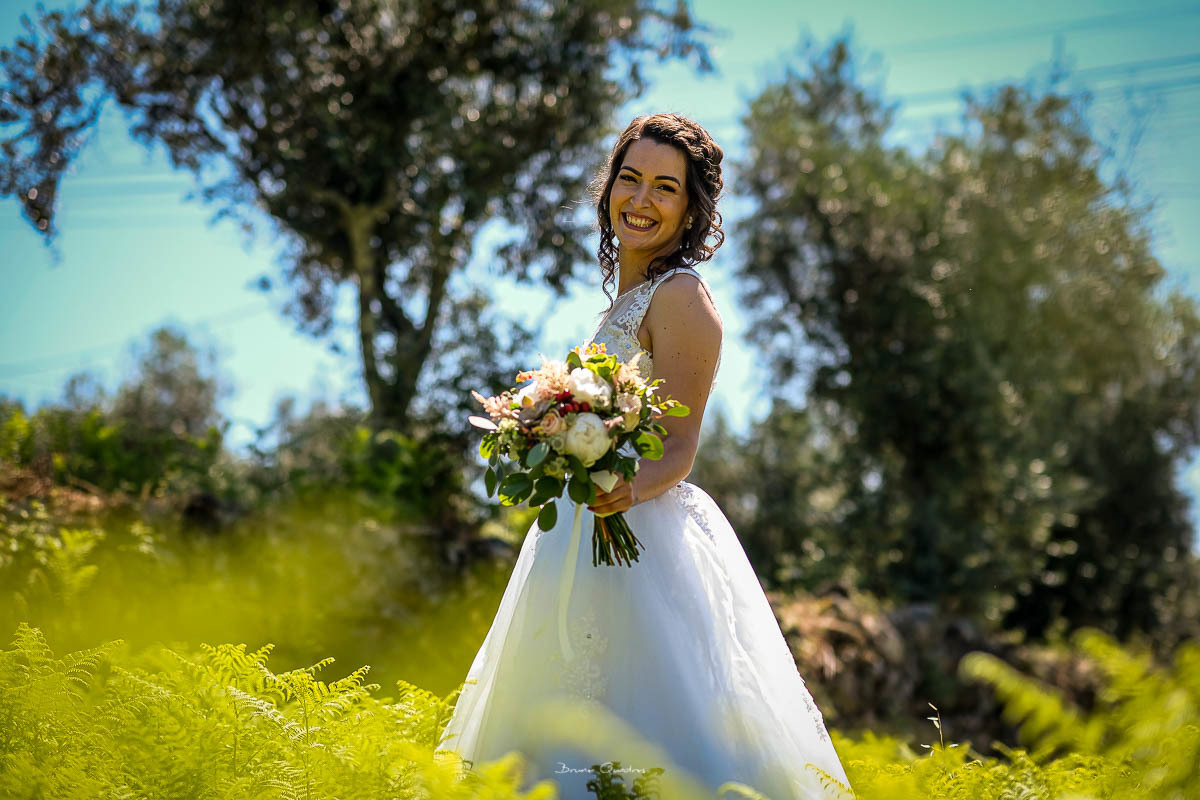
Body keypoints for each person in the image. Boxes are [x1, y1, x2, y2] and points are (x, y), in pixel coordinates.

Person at [437, 113, 853, 800]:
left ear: (690, 210)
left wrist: (623, 490)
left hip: (644, 538)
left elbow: (681, 449)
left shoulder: (682, 297)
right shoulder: (620, 308)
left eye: (665, 187)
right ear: (607, 191)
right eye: (629, 180)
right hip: (579, 540)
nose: (641, 199)